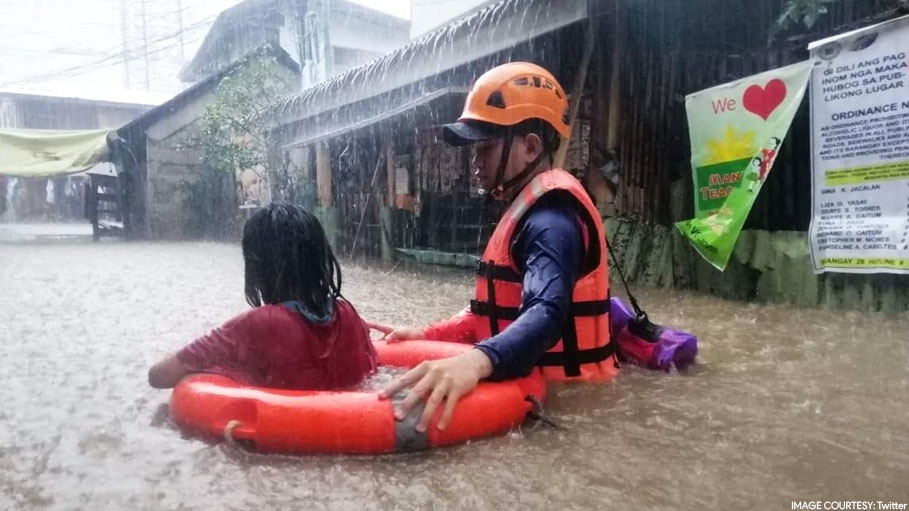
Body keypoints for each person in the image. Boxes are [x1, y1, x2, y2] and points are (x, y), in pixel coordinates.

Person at [368, 62, 616, 433]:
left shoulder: (551, 222)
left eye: (484, 149)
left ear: (530, 147)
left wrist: (476, 362)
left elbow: (547, 313)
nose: (475, 163)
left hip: (570, 406)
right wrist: (427, 335)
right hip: (543, 390)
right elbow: (493, 314)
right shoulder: (528, 209)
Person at [148, 202, 377, 390]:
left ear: (257, 267)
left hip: (285, 440)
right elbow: (371, 369)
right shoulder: (348, 315)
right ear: (321, 258)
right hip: (348, 429)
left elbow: (159, 376)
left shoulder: (261, 323)